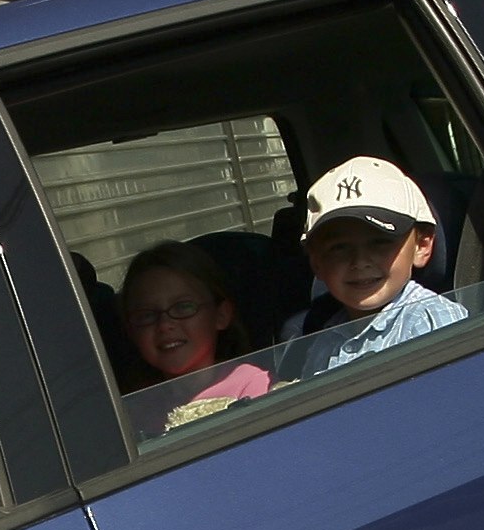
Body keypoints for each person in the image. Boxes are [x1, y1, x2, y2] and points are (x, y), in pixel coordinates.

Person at [286, 155, 464, 369]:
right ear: (317, 263)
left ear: (421, 246)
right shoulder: (326, 339)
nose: (360, 262)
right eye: (339, 248)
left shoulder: (430, 322)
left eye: (380, 242)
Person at [117, 239, 275, 435]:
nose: (165, 325)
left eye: (183, 307)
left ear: (221, 315)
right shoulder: (132, 411)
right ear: (131, 331)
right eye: (146, 316)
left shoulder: (254, 388)